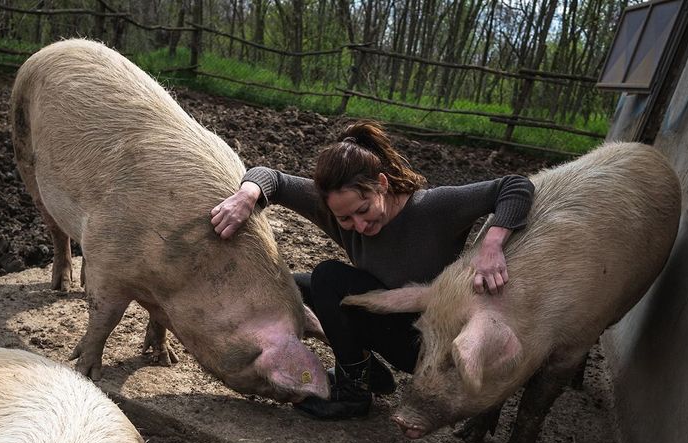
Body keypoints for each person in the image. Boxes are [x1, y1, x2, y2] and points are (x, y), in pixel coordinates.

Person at [210, 120, 534, 420]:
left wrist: (492, 245)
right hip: (382, 314)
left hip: (425, 342)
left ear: (381, 184)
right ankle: (368, 371)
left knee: (329, 279)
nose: (359, 226)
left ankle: (353, 392)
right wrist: (246, 196)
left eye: (364, 210)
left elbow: (515, 187)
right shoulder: (337, 204)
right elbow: (272, 178)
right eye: (345, 219)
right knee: (291, 287)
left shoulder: (434, 208)